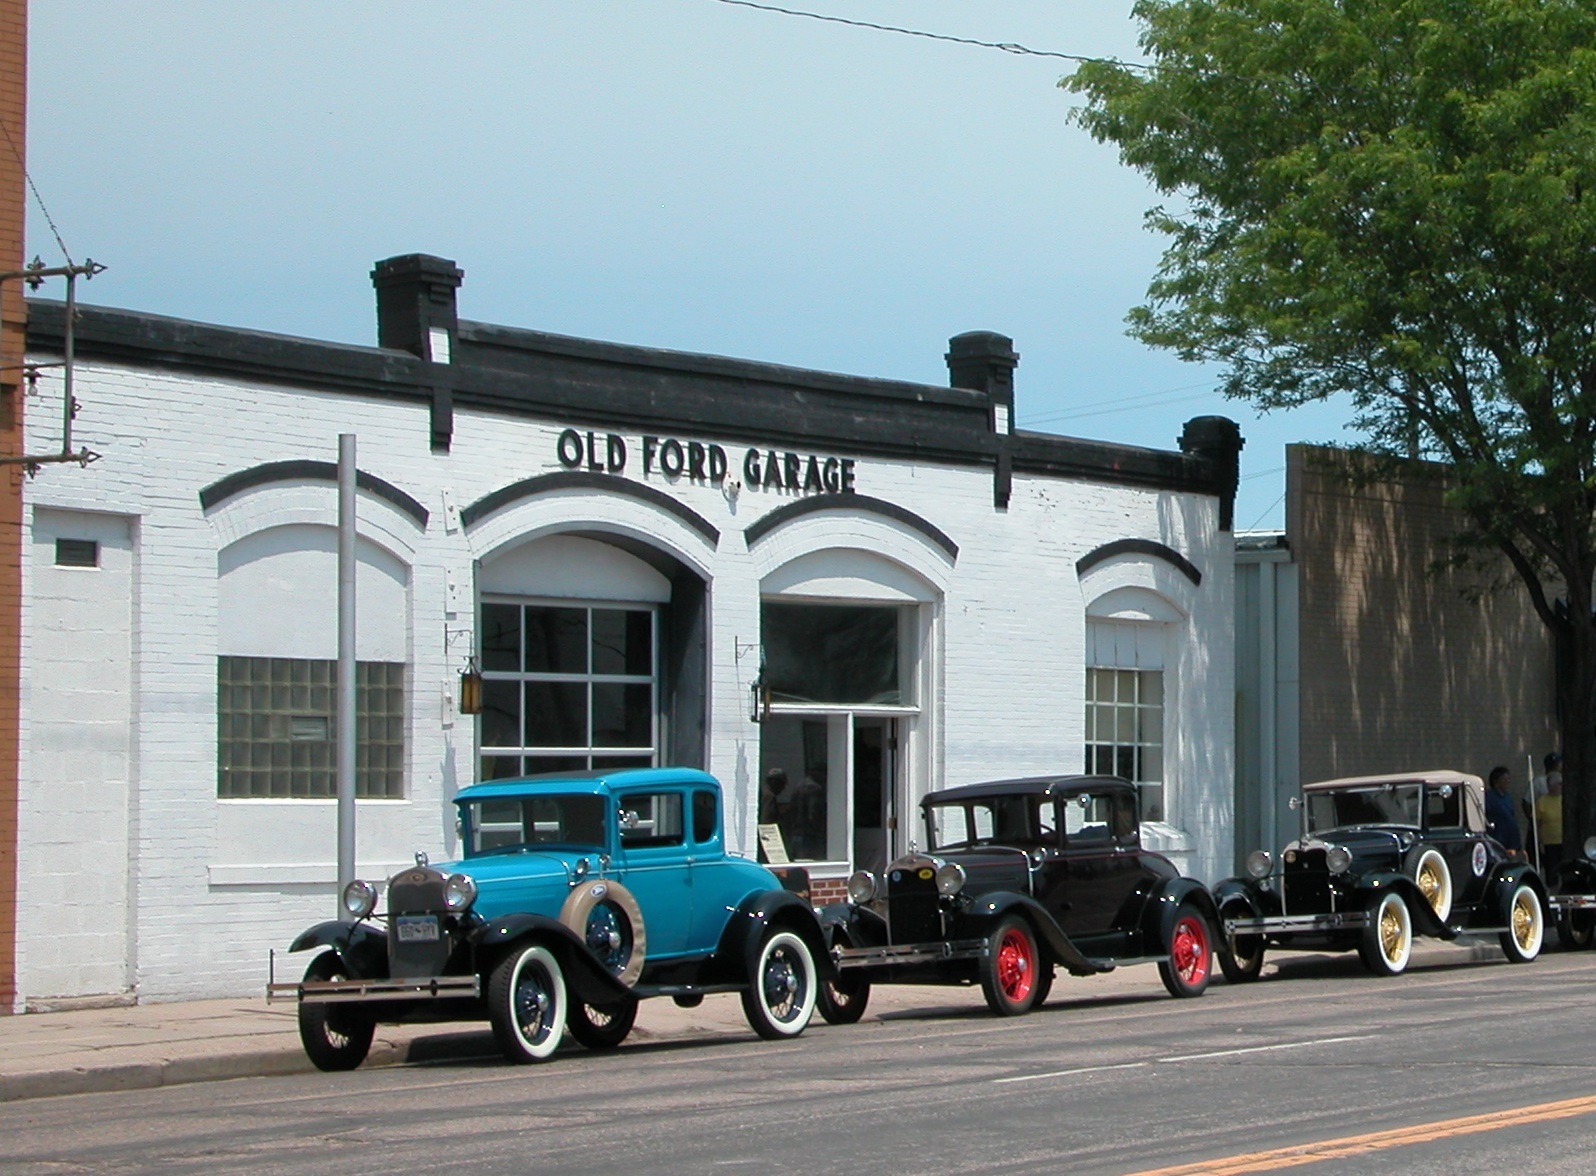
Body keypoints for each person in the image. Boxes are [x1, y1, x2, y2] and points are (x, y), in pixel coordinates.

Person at [1486, 765, 1524, 859]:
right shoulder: (1489, 797)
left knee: (1510, 869)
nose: (1507, 781)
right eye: (1504, 779)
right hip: (1498, 839)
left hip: (1511, 839)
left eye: (1508, 779)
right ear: (1496, 781)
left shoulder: (1507, 797)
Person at [1535, 772, 1565, 877]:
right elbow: (1537, 824)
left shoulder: (1566, 799)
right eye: (1558, 784)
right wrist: (1539, 842)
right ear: (1551, 786)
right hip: (1549, 842)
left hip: (1565, 841)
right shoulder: (1542, 802)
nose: (1561, 786)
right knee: (1552, 869)